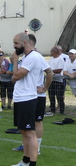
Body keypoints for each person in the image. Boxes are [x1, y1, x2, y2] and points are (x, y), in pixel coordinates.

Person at [11, 32, 53, 166]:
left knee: (30, 132)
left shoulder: (33, 57)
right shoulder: (26, 57)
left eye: (16, 43)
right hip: (20, 97)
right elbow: (15, 77)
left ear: (24, 43)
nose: (14, 46)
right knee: (23, 131)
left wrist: (15, 61)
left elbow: (16, 76)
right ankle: (25, 161)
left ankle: (32, 163)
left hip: (27, 98)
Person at [46, 46, 65, 115]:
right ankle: (52, 109)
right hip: (51, 80)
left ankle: (62, 110)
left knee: (59, 96)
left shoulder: (60, 59)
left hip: (58, 80)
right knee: (51, 95)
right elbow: (47, 67)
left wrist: (51, 72)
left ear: (54, 52)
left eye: (51, 51)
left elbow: (60, 69)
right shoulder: (51, 59)